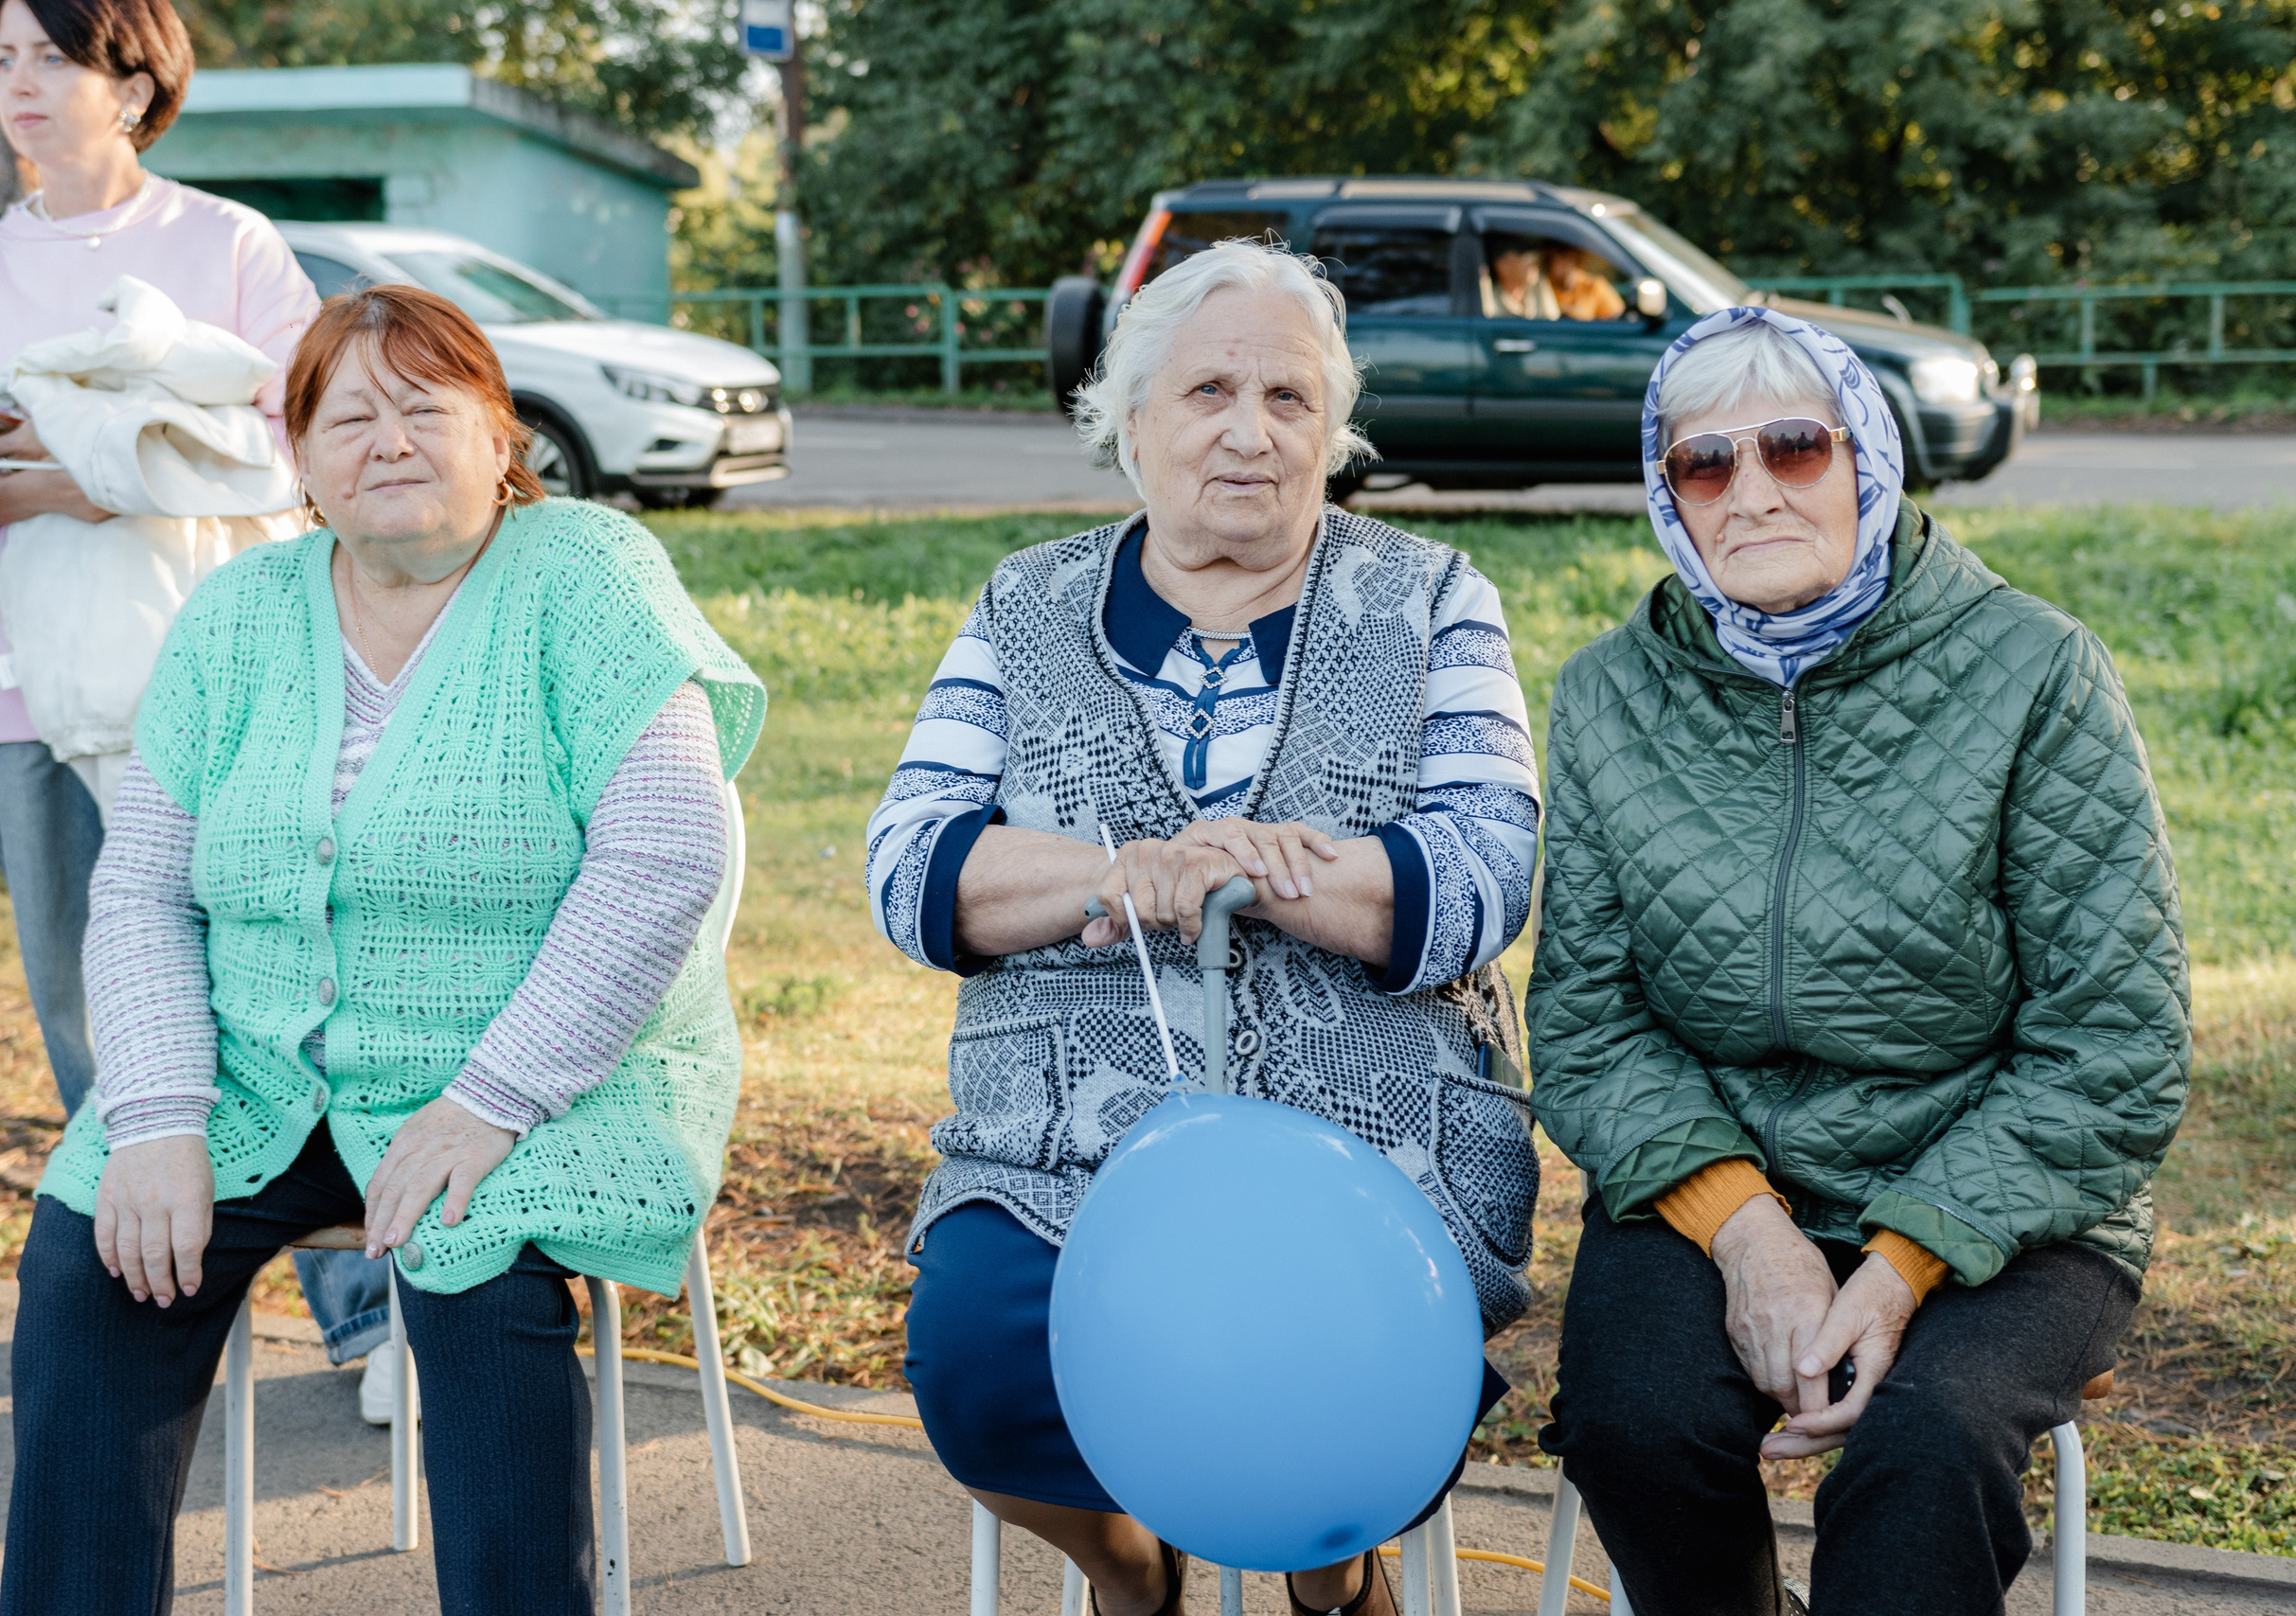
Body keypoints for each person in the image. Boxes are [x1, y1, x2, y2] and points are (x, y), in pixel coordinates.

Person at [2, 283, 763, 1615]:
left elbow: (667, 855)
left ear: (498, 431)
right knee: (95, 1247)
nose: (389, 438)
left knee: (476, 1261)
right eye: (348, 414)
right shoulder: (238, 614)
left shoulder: (584, 570)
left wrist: (490, 1100)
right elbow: (141, 889)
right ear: (299, 459)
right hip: (257, 1070)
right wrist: (161, 1112)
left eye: (426, 405)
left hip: (546, 1071)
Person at [866, 240, 1543, 1616]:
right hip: (1062, 1134)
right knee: (985, 1372)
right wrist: (1130, 868)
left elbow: (1487, 868)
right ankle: (1131, 1567)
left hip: (1371, 1127)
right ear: (1130, 420)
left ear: (1333, 432)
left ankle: (1331, 1559)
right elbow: (913, 866)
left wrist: (1264, 870)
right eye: (1208, 390)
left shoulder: (1432, 593)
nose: (1250, 431)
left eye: (1292, 398)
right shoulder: (1025, 597)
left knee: (1351, 1358)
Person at [1526, 308, 2189, 1616]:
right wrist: (1751, 1230)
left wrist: (1900, 1265)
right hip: (1715, 1173)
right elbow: (1590, 1025)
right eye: (1704, 463)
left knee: (1925, 1447)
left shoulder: (2036, 670)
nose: (1754, 490)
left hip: (2002, 1194)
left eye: (1794, 445)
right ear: (1670, 497)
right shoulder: (1612, 692)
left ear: (1869, 459)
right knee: (1634, 1421)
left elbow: (2116, 1043)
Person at [0, 0, 421, 1416]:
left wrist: (63, 457)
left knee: (279, 983)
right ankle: (152, 1305)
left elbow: (301, 432)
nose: (17, 84)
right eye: (0, 59)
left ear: (133, 82)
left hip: (220, 687)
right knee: (88, 1006)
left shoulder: (226, 244)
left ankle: (370, 1314)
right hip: (13, 685)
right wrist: (113, 460)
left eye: (50, 56)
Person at [1543, 243, 1626, 322]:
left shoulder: (1593, 286)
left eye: (1551, 259)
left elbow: (1619, 319)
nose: (1548, 265)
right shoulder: (1542, 286)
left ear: (1570, 257)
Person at [1483, 240, 1557, 320]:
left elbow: (1553, 322)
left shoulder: (1538, 286)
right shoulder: (1489, 295)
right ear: (1501, 265)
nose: (1534, 263)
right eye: (1526, 257)